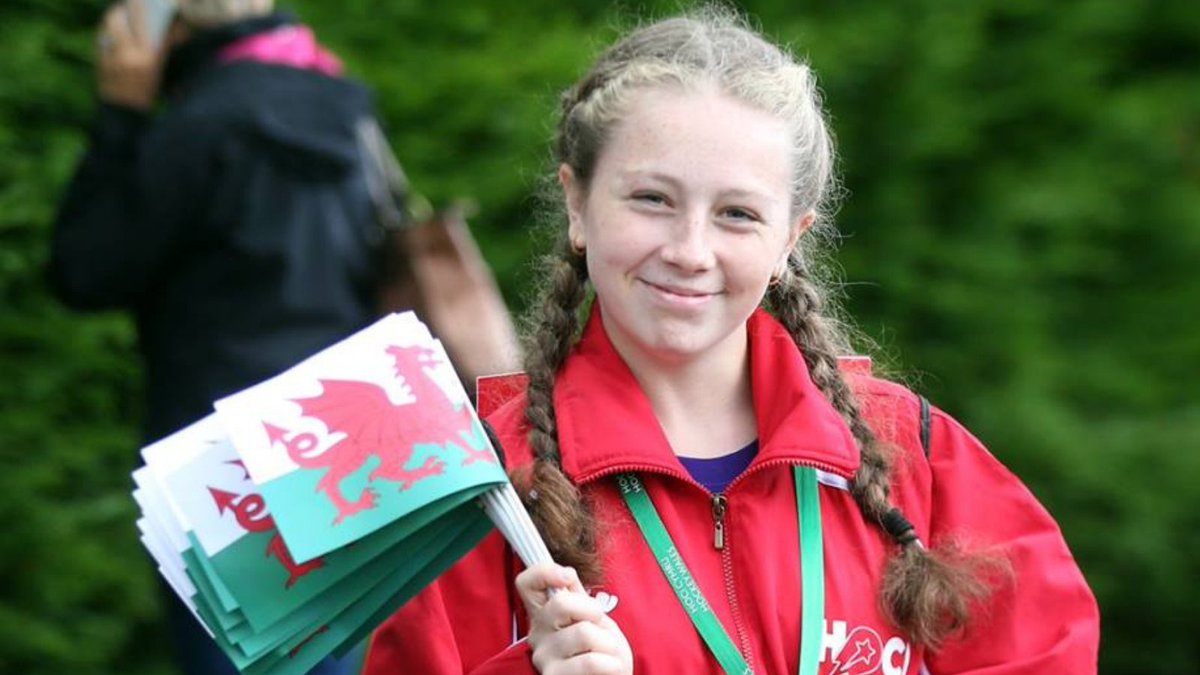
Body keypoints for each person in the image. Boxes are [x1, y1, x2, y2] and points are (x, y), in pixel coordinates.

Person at [361, 8, 1100, 675]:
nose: (689, 249)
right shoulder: (485, 490)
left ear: (789, 239)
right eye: (652, 198)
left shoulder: (913, 455)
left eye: (738, 214)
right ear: (578, 204)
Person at [49, 1, 376, 673]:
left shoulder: (202, 123)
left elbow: (85, 269)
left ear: (171, 31)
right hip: (337, 439)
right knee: (328, 655)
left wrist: (121, 114)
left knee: (236, 656)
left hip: (217, 460)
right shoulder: (345, 105)